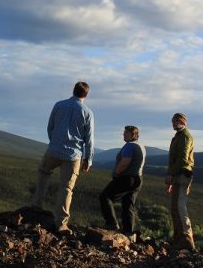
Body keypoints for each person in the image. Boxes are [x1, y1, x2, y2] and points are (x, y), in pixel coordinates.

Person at [31, 81, 95, 234]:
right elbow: (89, 139)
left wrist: (54, 142)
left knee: (43, 173)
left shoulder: (59, 105)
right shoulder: (87, 112)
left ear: (73, 91)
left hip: (54, 150)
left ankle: (36, 206)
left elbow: (50, 127)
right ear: (86, 95)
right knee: (66, 188)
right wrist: (88, 159)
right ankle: (61, 223)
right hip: (73, 156)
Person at [98, 125, 146, 237]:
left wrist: (117, 173)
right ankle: (128, 232)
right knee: (128, 204)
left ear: (133, 134)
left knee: (105, 196)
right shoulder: (141, 146)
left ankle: (112, 223)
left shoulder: (129, 146)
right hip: (138, 179)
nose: (123, 135)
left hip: (126, 178)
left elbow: (125, 161)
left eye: (126, 133)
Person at [165, 113, 195, 250]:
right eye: (172, 121)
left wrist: (171, 174)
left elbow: (183, 159)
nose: (173, 123)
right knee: (174, 207)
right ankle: (178, 238)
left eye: (176, 121)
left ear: (183, 121)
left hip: (182, 174)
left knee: (180, 206)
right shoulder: (177, 136)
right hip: (177, 174)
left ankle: (187, 238)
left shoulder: (185, 136)